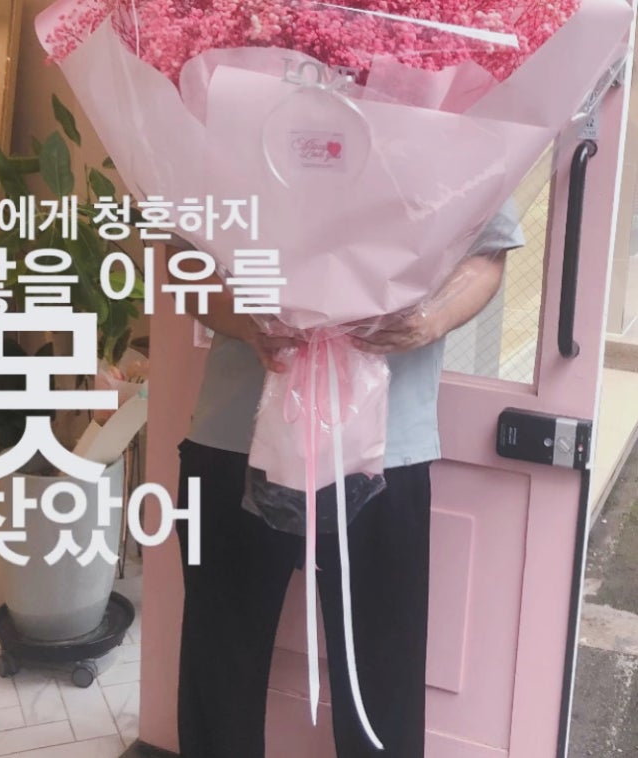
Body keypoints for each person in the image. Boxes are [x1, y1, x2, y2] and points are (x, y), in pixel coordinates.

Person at [165, 204, 523, 758]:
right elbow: (180, 257)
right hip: (237, 433)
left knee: (382, 675)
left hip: (384, 446)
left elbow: (488, 252)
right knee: (220, 663)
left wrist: (429, 318)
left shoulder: (455, 148)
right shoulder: (221, 145)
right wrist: (246, 317)